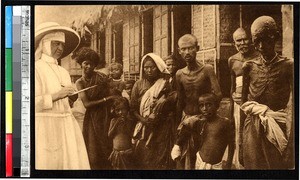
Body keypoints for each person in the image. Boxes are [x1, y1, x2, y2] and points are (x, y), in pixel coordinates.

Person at [35, 22, 90, 169]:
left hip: (66, 125)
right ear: (45, 44)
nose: (60, 48)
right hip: (46, 127)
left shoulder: (64, 72)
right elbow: (28, 104)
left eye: (62, 45)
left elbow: (66, 103)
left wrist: (71, 97)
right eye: (56, 43)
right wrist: (56, 95)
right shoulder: (36, 69)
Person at [241, 16, 294, 169]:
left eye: (266, 40)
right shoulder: (248, 67)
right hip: (252, 131)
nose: (261, 46)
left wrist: (292, 144)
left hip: (277, 128)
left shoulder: (288, 66)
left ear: (276, 38)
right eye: (257, 41)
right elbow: (244, 107)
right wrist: (240, 142)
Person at [175, 34, 222, 169]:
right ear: (179, 51)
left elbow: (218, 94)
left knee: (204, 157)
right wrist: (179, 125)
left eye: (191, 48)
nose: (187, 52)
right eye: (183, 49)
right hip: (187, 119)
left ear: (198, 48)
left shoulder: (207, 69)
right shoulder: (179, 74)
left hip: (204, 120)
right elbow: (180, 101)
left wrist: (208, 113)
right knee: (187, 158)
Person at [131, 53, 177, 169]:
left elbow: (171, 104)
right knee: (143, 157)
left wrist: (161, 106)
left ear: (158, 67)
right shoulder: (138, 85)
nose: (149, 70)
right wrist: (144, 120)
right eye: (146, 67)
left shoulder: (165, 84)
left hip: (161, 127)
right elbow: (133, 109)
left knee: (159, 158)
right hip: (143, 126)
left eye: (152, 67)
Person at [75, 47, 117, 170]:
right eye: (85, 63)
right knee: (93, 154)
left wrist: (110, 99)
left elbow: (113, 93)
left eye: (91, 64)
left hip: (106, 116)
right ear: (81, 63)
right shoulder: (80, 82)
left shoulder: (102, 77)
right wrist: (105, 99)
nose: (88, 66)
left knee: (106, 148)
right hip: (92, 119)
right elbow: (87, 104)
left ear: (95, 65)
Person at [171, 93, 232, 170]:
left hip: (216, 166)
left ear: (217, 106)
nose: (205, 108)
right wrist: (177, 146)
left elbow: (231, 144)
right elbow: (186, 129)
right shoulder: (200, 121)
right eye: (201, 106)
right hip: (200, 162)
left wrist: (229, 164)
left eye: (209, 105)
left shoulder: (224, 123)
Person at [227, 28, 260, 169]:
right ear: (234, 43)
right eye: (238, 40)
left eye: (244, 39)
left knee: (254, 138)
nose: (242, 43)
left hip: (255, 104)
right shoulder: (232, 60)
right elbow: (232, 86)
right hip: (238, 105)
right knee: (238, 136)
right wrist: (233, 98)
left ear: (251, 39)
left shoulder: (259, 57)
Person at [108, 97, 136, 169]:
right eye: (118, 110)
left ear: (127, 109)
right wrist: (116, 124)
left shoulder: (130, 121)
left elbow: (131, 135)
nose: (120, 112)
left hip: (127, 153)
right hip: (117, 153)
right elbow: (109, 135)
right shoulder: (113, 121)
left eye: (123, 109)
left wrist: (125, 124)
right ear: (114, 111)